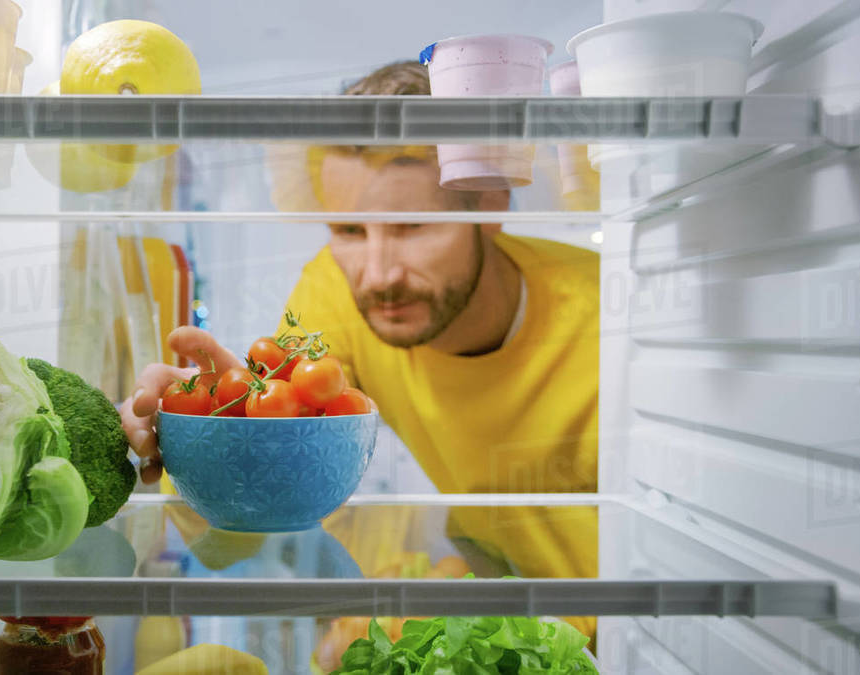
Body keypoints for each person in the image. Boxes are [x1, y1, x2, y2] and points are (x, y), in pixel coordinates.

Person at [121, 61, 599, 630]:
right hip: (498, 585)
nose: (376, 276)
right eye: (349, 230)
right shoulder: (333, 292)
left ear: (490, 203)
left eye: (412, 225)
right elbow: (234, 546)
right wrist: (213, 432)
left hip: (640, 619)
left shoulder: (601, 315)